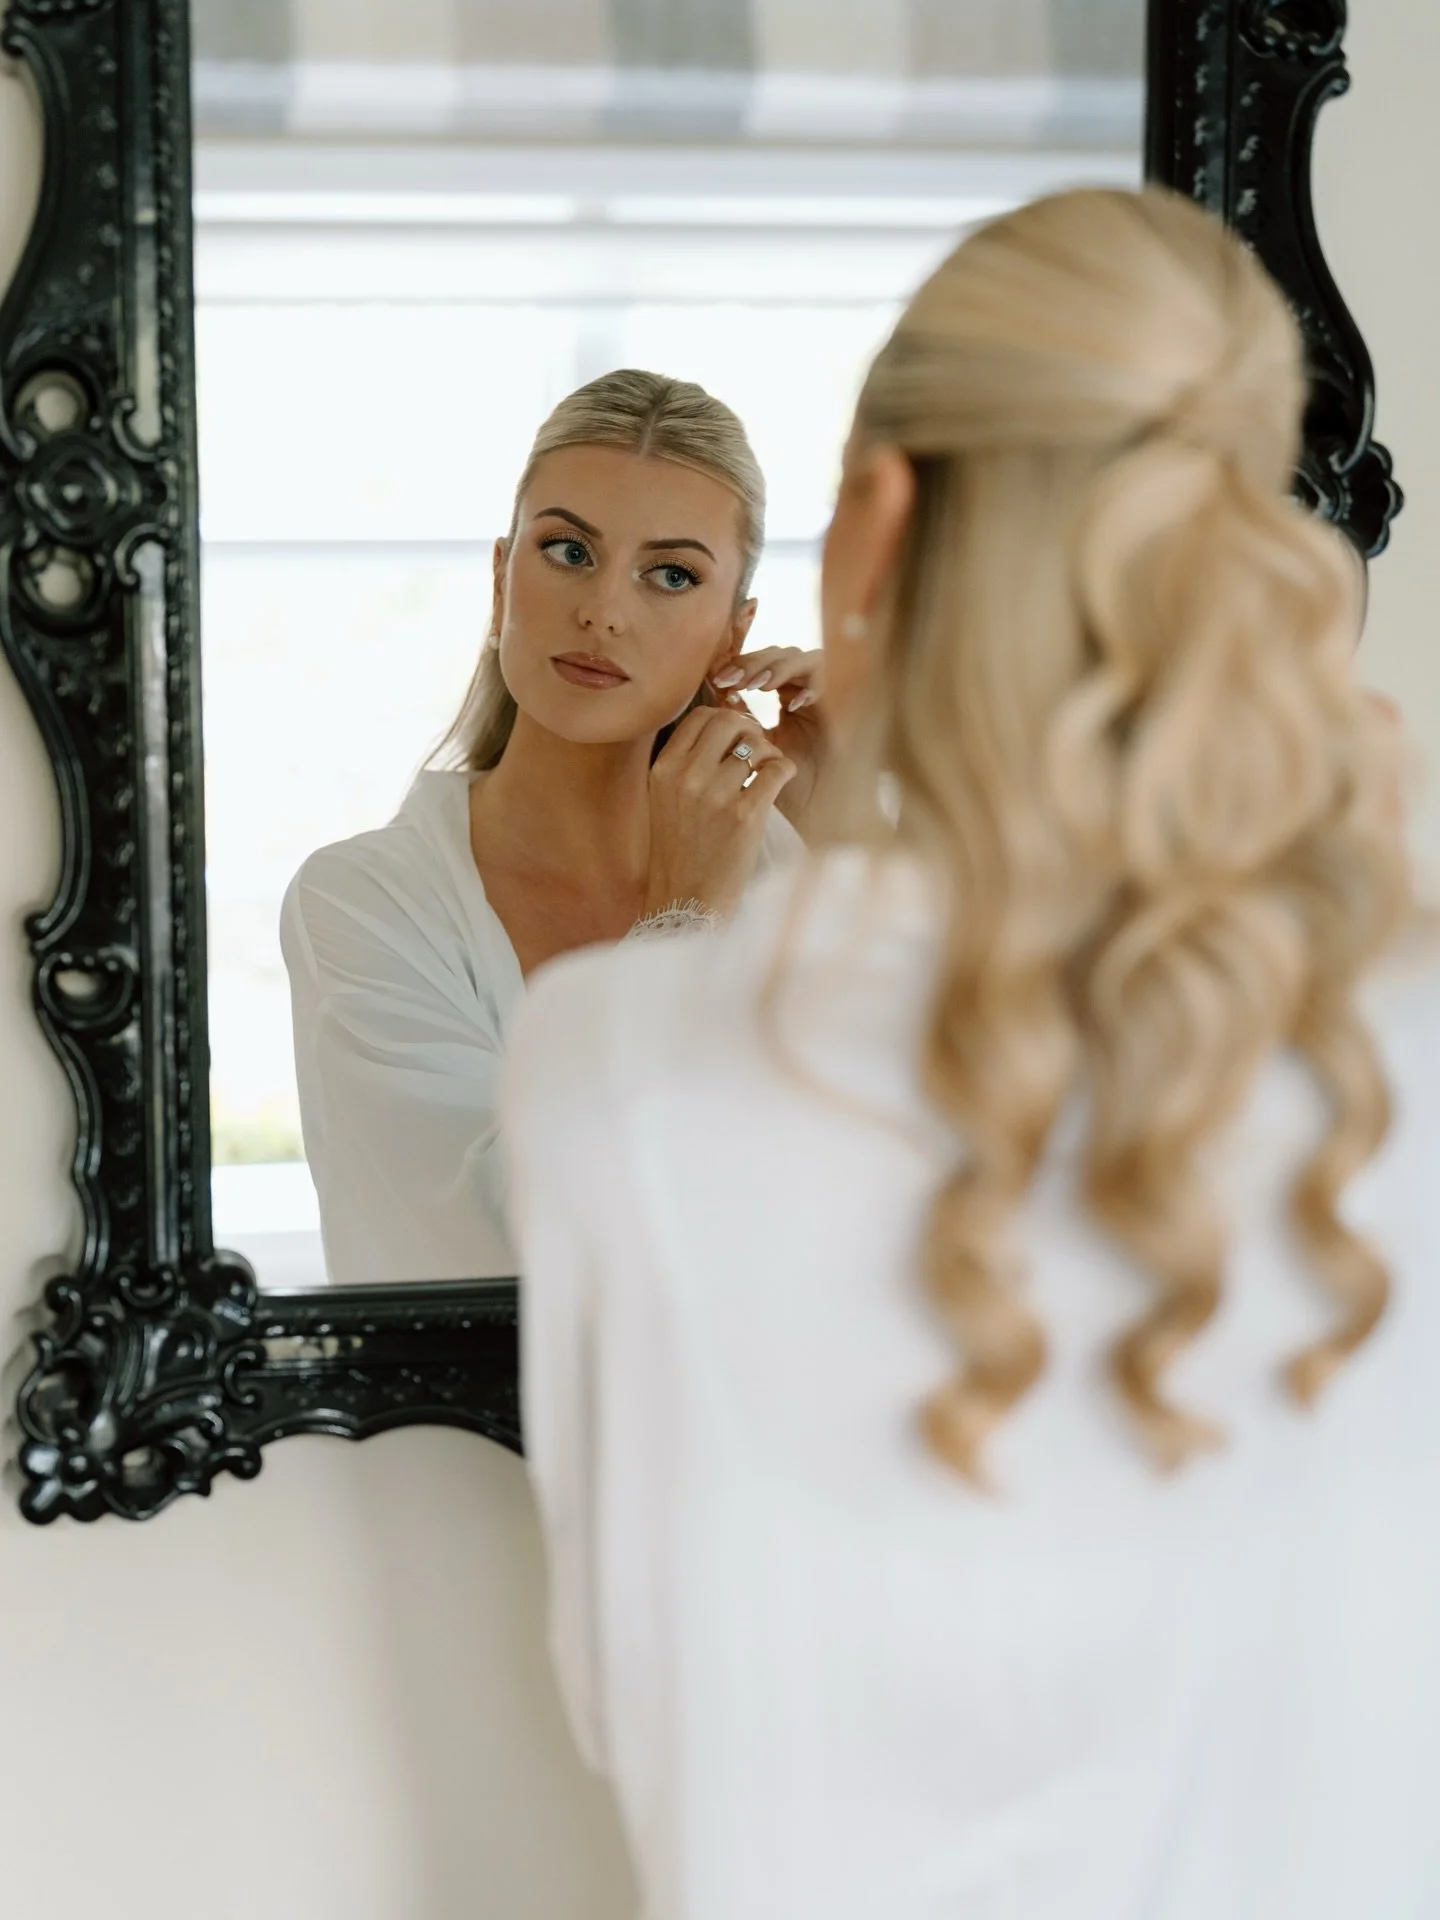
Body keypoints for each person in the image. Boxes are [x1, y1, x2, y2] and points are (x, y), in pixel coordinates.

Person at [504, 188, 1440, 1919]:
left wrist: (798, 859)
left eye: (671, 571)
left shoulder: (621, 1067)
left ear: (869, 533)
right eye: (562, 550)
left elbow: (634, 1710)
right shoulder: (1398, 1036)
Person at [281, 371, 824, 1283]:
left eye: (671, 575)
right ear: (502, 579)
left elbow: (904, 1220)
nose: (603, 611)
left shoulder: (794, 882)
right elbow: (516, 1250)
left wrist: (839, 837)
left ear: (732, 637)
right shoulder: (360, 903)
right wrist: (684, 922)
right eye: (569, 551)